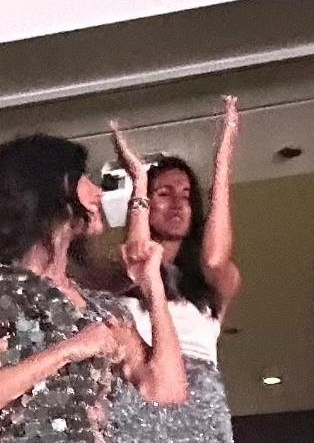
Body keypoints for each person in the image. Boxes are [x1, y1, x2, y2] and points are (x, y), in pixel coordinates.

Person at [0, 134, 186, 443]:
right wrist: (68, 350)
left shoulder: (102, 308)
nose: (98, 192)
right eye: (85, 178)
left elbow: (167, 389)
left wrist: (152, 285)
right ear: (52, 187)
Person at [112, 95, 241, 443]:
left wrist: (223, 160)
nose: (178, 204)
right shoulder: (120, 277)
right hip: (142, 395)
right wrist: (138, 180)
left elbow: (214, 258)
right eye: (164, 194)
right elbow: (139, 256)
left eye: (186, 194)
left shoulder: (214, 281)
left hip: (201, 403)